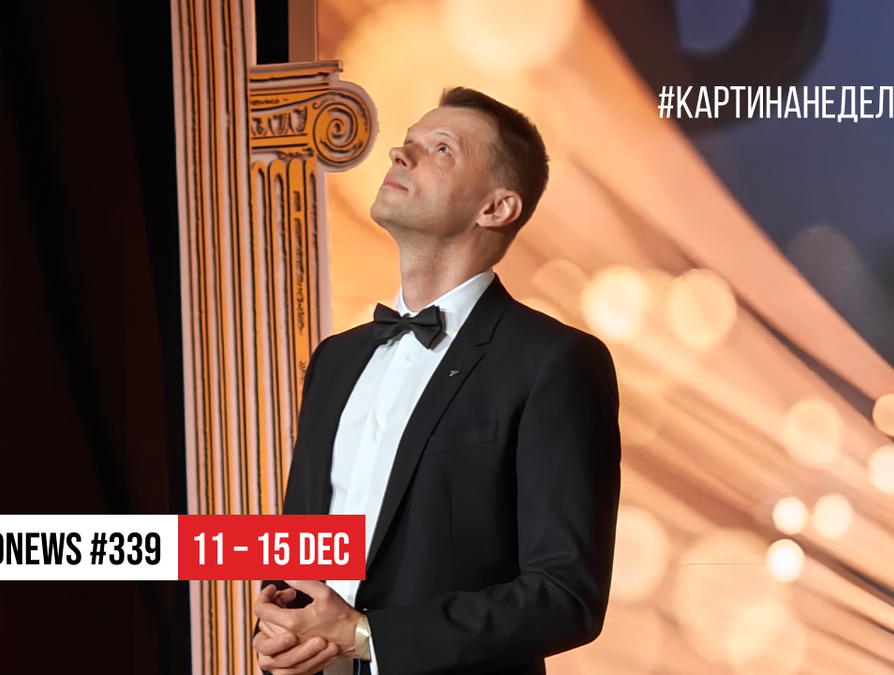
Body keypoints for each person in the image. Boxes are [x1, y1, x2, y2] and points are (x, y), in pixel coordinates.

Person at [252, 86, 621, 675]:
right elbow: (302, 546)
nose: (400, 154)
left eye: (441, 149)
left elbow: (565, 595)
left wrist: (367, 636)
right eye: (408, 143)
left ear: (496, 208)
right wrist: (281, 627)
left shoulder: (555, 361)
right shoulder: (335, 360)